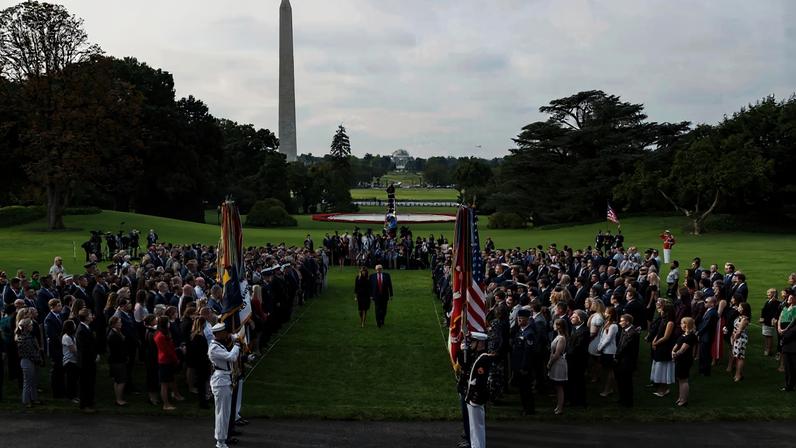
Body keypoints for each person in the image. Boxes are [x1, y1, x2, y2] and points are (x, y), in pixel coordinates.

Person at [209, 322, 241, 448]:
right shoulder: (214, 348)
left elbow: (233, 336)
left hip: (225, 379)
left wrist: (236, 337)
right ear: (219, 334)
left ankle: (222, 439)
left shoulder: (219, 343)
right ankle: (220, 442)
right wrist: (237, 345)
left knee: (225, 412)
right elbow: (231, 357)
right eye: (224, 332)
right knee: (222, 413)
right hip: (221, 381)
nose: (227, 334)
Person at [464, 332, 492, 448]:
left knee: (477, 427)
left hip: (476, 397)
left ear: (480, 343)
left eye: (474, 342)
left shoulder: (483, 359)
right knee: (474, 427)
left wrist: (475, 397)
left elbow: (481, 381)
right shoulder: (478, 356)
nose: (472, 344)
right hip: (472, 396)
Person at [510, 308, 536, 415]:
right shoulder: (520, 331)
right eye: (518, 319)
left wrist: (524, 367)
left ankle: (529, 408)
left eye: (521, 319)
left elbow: (528, 352)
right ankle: (525, 407)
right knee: (522, 388)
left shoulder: (529, 333)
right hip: (518, 364)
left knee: (526, 388)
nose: (519, 321)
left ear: (527, 319)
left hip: (524, 366)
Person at [154, 315, 182, 411]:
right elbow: (167, 350)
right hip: (165, 361)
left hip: (166, 360)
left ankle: (174, 396)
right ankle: (166, 404)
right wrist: (175, 359)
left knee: (170, 379)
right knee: (164, 384)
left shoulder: (161, 333)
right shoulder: (161, 336)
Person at [614, 314, 640, 406]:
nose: (620, 322)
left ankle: (628, 401)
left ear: (627, 322)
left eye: (621, 321)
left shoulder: (632, 333)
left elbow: (625, 347)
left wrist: (617, 356)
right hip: (622, 360)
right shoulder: (624, 330)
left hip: (627, 361)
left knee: (627, 382)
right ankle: (622, 398)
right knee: (621, 380)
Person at [16, 318, 43, 407]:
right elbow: (31, 352)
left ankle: (34, 398)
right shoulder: (24, 338)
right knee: (27, 382)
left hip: (31, 360)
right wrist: (38, 359)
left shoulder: (29, 336)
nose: (32, 326)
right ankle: (26, 401)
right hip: (27, 361)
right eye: (30, 325)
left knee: (33, 382)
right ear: (26, 327)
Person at [651, 303, 676, 397]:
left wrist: (656, 343)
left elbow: (666, 337)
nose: (660, 311)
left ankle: (664, 389)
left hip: (665, 347)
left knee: (663, 368)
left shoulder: (670, 322)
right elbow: (659, 332)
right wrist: (654, 340)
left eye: (661, 310)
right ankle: (660, 387)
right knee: (658, 365)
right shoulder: (663, 320)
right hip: (659, 344)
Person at [76, 308, 97, 413]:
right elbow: (84, 348)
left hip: (89, 361)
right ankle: (85, 405)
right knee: (85, 384)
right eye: (90, 315)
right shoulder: (81, 330)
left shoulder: (88, 327)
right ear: (85, 317)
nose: (92, 316)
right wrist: (93, 356)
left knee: (90, 383)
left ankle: (89, 403)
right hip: (85, 362)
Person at [672, 317, 697, 406]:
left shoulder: (691, 336)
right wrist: (673, 352)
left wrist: (675, 354)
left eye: (682, 323)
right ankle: (680, 397)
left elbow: (683, 349)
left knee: (684, 380)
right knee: (680, 379)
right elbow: (676, 345)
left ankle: (684, 400)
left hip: (685, 360)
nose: (680, 325)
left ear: (686, 325)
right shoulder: (683, 335)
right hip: (679, 359)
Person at [43, 298, 65, 399]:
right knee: (55, 370)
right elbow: (52, 335)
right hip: (54, 348)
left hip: (60, 347)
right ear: (53, 307)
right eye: (59, 305)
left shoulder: (59, 315)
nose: (61, 307)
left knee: (60, 369)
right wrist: (62, 341)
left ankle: (61, 389)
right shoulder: (49, 319)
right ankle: (56, 393)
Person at [547, 318, 568, 415]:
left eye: (555, 324)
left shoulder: (562, 338)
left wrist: (550, 363)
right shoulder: (558, 336)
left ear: (559, 326)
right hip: (555, 363)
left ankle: (560, 407)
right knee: (556, 386)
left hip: (559, 363)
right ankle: (558, 406)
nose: (553, 325)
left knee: (559, 386)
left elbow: (557, 354)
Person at [106, 316, 128, 406]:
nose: (121, 323)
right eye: (119, 322)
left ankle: (118, 398)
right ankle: (119, 399)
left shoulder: (116, 333)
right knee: (121, 381)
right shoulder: (113, 336)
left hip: (116, 360)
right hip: (117, 361)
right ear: (114, 324)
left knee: (117, 381)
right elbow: (117, 350)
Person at [597, 306, 618, 397]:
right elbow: (602, 337)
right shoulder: (606, 323)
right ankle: (611, 388)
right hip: (604, 350)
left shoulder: (613, 326)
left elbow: (608, 339)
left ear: (611, 314)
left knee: (610, 371)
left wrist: (600, 347)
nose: (605, 313)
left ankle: (608, 390)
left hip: (609, 351)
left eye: (606, 312)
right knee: (607, 370)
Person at [730, 302, 751, 382]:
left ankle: (738, 375)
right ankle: (738, 374)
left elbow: (739, 331)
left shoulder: (744, 319)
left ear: (743, 309)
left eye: (739, 306)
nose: (738, 307)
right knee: (737, 356)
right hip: (736, 338)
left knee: (740, 357)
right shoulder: (739, 317)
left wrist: (734, 338)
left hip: (740, 339)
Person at [61, 319, 80, 403]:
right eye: (73, 324)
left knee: (74, 380)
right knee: (70, 380)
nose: (75, 325)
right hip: (69, 361)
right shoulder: (66, 337)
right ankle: (70, 397)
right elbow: (73, 350)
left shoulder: (72, 335)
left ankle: (74, 395)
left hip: (74, 361)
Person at [760, 288, 780, 357]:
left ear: (773, 294)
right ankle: (767, 348)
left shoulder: (776, 302)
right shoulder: (768, 301)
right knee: (766, 335)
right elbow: (764, 310)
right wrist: (762, 318)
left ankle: (768, 350)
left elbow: (775, 313)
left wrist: (773, 320)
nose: (767, 294)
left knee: (769, 336)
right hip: (766, 321)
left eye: (769, 293)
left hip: (770, 322)